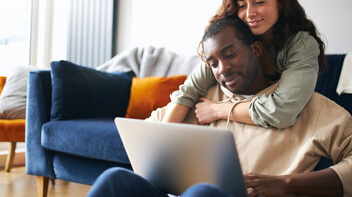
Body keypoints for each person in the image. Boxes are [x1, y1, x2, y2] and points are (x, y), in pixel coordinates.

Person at [87, 18, 351, 197]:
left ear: (256, 49)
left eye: (231, 53)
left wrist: (285, 183)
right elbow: (147, 133)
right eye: (213, 63)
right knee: (115, 179)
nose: (222, 69)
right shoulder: (202, 99)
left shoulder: (308, 106)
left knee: (203, 193)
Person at [164, 0, 326, 130]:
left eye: (259, 2)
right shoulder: (226, 43)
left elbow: (282, 111)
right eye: (242, 5)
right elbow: (188, 93)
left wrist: (218, 109)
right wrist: (162, 137)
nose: (249, 13)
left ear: (281, 2)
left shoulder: (301, 45)